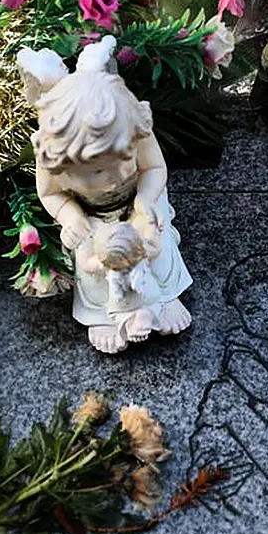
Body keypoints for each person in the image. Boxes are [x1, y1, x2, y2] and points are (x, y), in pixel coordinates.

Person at [19, 36, 192, 353]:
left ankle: (164, 295)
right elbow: (51, 195)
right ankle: (101, 312)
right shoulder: (51, 155)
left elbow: (154, 169)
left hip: (138, 200)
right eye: (96, 172)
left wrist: (145, 200)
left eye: (122, 161)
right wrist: (70, 217)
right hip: (89, 213)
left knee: (155, 245)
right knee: (92, 265)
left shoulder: (132, 126)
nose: (112, 179)